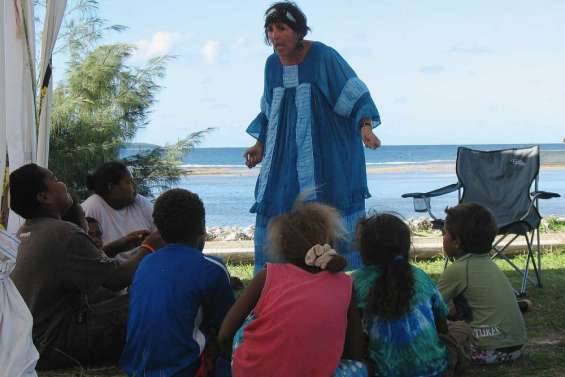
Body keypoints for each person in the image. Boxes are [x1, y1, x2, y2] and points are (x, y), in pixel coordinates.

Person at [244, 2, 382, 272]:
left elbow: (352, 94)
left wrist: (366, 126)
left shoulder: (323, 57)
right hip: (284, 163)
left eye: (282, 28)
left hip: (329, 157)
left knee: (331, 208)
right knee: (281, 209)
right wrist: (259, 144)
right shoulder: (271, 66)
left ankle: (342, 280)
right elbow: (270, 111)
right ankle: (279, 284)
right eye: (270, 30)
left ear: (299, 31)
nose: (275, 36)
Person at [9, 163, 162, 370]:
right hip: (54, 345)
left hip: (30, 344)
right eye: (54, 178)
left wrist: (118, 245)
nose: (62, 183)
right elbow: (116, 280)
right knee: (147, 298)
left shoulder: (25, 232)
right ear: (44, 197)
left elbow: (88, 268)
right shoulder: (64, 233)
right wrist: (150, 246)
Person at [219, 202, 370, 377]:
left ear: (282, 246)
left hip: (251, 371)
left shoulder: (267, 276)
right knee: (364, 367)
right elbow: (355, 352)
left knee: (251, 319)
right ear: (329, 244)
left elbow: (225, 334)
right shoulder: (345, 284)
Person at [120, 189, 235, 377]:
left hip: (135, 369)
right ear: (202, 228)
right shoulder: (212, 268)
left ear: (159, 231)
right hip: (183, 370)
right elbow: (226, 329)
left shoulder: (146, 263)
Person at [352, 213, 451, 377]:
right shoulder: (420, 276)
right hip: (435, 370)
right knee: (462, 330)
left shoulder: (356, 282)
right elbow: (442, 323)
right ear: (406, 247)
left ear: (364, 250)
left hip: (384, 372)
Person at [438, 203, 528, 364]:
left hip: (485, 350)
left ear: (456, 241)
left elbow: (430, 307)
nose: (442, 237)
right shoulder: (488, 263)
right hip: (516, 347)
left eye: (445, 233)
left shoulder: (458, 269)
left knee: (430, 325)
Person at [82, 161, 154, 245]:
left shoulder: (140, 201)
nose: (134, 185)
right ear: (111, 187)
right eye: (128, 182)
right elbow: (91, 253)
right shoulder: (92, 207)